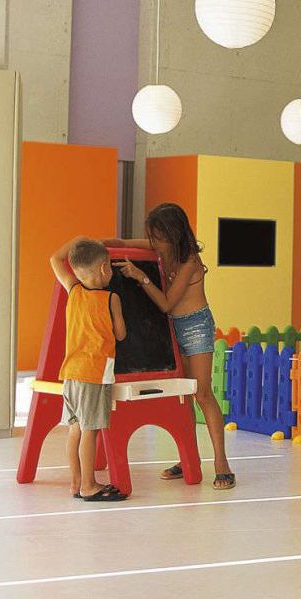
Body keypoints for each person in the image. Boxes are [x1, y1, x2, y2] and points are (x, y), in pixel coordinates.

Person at [107, 203, 236, 490]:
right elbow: (123, 243)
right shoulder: (160, 250)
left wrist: (140, 277)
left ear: (173, 235)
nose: (153, 243)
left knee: (202, 393)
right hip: (172, 328)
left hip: (195, 326)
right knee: (183, 396)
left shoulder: (189, 261)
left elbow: (166, 304)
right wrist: (95, 245)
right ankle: (188, 458)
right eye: (151, 237)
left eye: (158, 237)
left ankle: (222, 463)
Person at [49, 237, 128, 502]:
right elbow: (121, 334)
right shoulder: (111, 298)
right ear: (105, 268)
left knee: (76, 429)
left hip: (71, 373)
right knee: (90, 430)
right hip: (94, 374)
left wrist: (77, 239)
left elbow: (55, 259)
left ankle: (76, 482)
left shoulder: (73, 289)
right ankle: (89, 485)